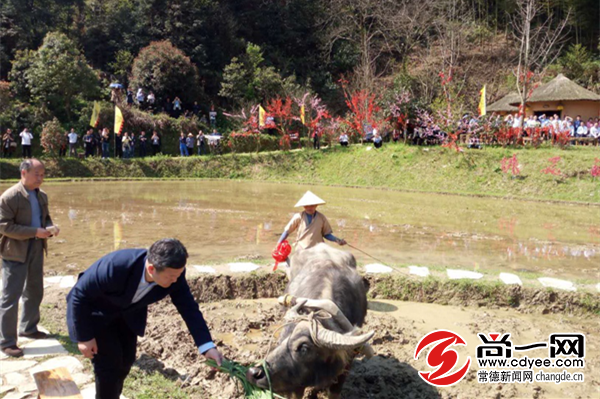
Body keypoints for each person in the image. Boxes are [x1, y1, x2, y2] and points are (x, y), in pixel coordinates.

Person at [66, 238, 223, 399]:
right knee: (109, 366)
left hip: (127, 316)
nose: (175, 280)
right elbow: (79, 295)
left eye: (179, 275)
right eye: (171, 276)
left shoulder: (174, 275)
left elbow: (189, 309)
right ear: (151, 268)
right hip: (97, 313)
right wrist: (84, 338)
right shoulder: (116, 266)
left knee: (126, 361)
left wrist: (207, 347)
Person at [0, 159, 59, 357]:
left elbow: (46, 218)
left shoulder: (41, 196)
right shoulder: (10, 197)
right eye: (37, 175)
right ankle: (7, 341)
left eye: (43, 175)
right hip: (15, 251)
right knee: (11, 296)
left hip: (36, 247)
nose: (40, 179)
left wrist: (50, 228)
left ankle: (28, 327)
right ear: (24, 173)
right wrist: (35, 231)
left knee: (34, 289)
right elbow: (4, 227)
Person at [276, 191, 346, 259]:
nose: (309, 208)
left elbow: (326, 234)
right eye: (307, 206)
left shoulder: (321, 218)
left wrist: (337, 240)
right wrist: (278, 244)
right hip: (301, 249)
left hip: (317, 250)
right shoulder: (298, 217)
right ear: (303, 206)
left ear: (316, 205)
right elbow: (287, 231)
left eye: (312, 205)